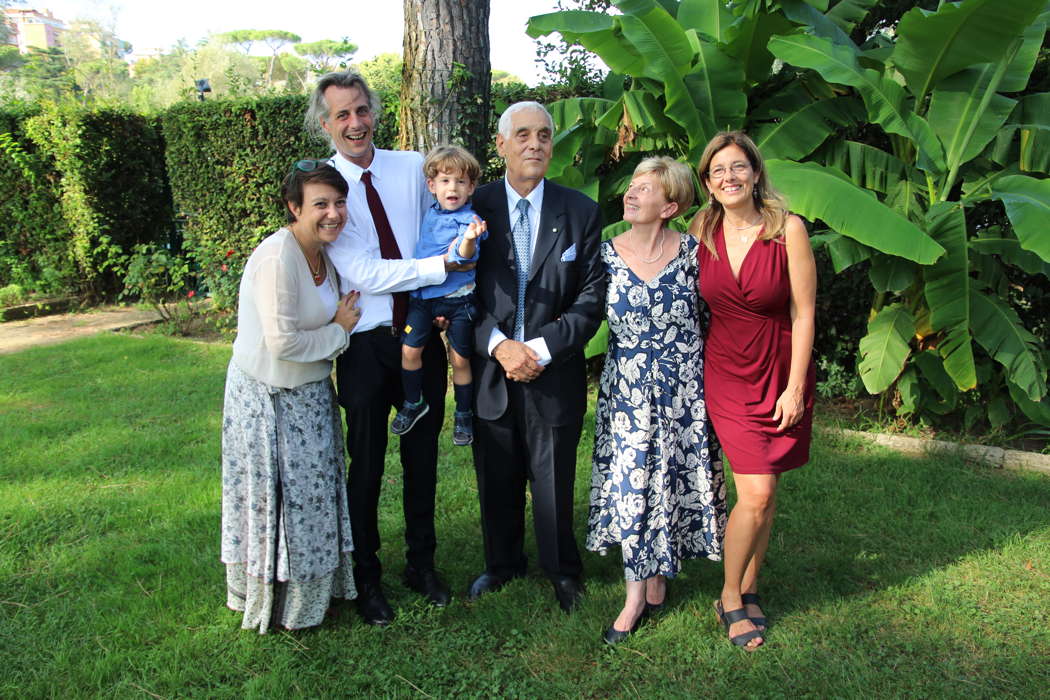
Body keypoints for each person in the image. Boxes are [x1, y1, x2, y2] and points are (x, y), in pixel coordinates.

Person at [306, 71, 466, 625]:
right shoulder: (329, 194)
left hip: (419, 336)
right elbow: (365, 273)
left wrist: (446, 290)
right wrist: (438, 268)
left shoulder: (410, 167)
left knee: (422, 459)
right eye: (341, 115)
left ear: (375, 112)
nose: (355, 123)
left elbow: (444, 220)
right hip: (367, 344)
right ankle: (367, 577)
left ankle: (422, 565)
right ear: (325, 125)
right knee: (368, 464)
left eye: (361, 110)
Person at [467, 101, 606, 613]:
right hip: (491, 368)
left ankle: (561, 570)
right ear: (501, 145)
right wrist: (500, 345)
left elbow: (592, 297)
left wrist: (539, 348)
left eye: (544, 135)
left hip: (553, 369)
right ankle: (501, 564)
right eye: (522, 134)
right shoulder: (471, 207)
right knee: (496, 474)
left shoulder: (581, 211)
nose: (535, 144)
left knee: (552, 480)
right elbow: (459, 293)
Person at [587, 157, 727, 644]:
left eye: (644, 190)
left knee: (668, 479)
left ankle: (659, 570)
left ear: (670, 205)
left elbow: (719, 317)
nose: (631, 193)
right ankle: (633, 599)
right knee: (633, 485)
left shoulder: (695, 253)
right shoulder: (605, 254)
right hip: (626, 393)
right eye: (632, 186)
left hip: (684, 391)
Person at [220, 161, 363, 633]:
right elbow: (282, 343)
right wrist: (338, 332)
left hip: (310, 393)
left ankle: (315, 597)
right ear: (294, 207)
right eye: (320, 204)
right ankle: (278, 602)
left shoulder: (325, 251)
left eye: (338, 202)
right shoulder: (278, 257)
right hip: (269, 399)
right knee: (281, 501)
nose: (333, 213)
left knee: (315, 496)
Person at [691, 131, 816, 650]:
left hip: (780, 367)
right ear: (707, 182)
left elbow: (804, 311)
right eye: (718, 171)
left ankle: (751, 584)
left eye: (738, 167)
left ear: (756, 172)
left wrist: (794, 388)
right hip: (726, 372)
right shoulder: (700, 230)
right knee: (756, 492)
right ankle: (728, 596)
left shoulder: (788, 231)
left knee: (766, 495)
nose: (729, 178)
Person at [391, 145, 488, 447]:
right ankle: (413, 401)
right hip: (423, 299)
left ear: (471, 187)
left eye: (460, 182)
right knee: (409, 352)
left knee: (459, 359)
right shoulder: (428, 212)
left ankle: (463, 413)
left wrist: (470, 239)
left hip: (459, 301)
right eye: (445, 181)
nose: (453, 188)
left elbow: (463, 254)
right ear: (431, 186)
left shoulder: (469, 220)